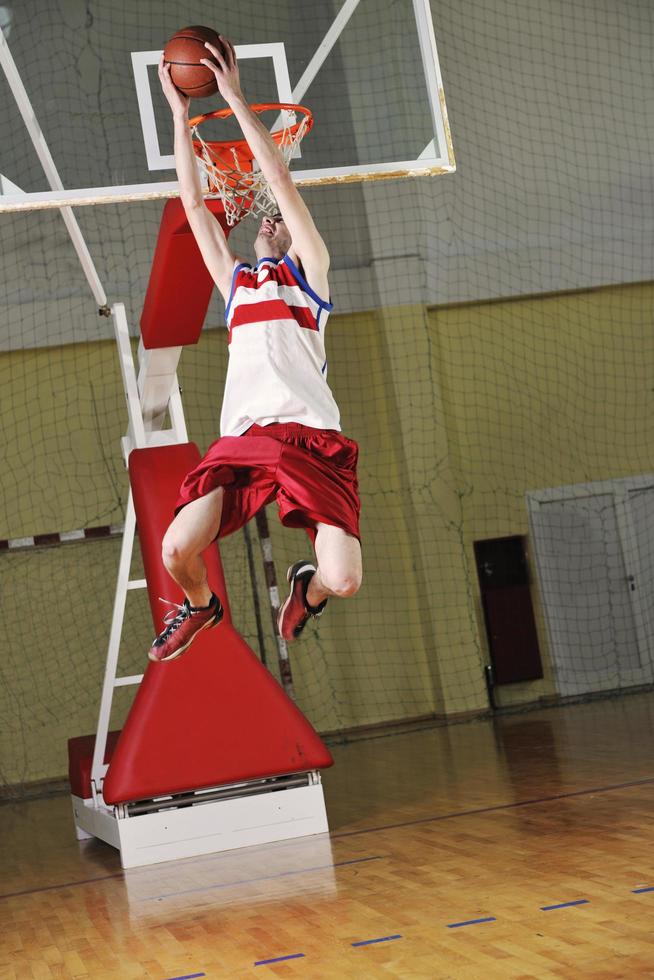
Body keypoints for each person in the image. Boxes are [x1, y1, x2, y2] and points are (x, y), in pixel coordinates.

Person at [148, 36, 362, 663]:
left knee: (345, 578)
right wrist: (178, 112)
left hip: (310, 440)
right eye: (263, 223)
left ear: (293, 239)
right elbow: (193, 203)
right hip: (242, 442)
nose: (270, 222)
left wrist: (236, 97)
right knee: (175, 549)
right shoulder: (236, 286)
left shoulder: (312, 277)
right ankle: (201, 606)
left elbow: (278, 179)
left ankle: (309, 589)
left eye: (281, 224)